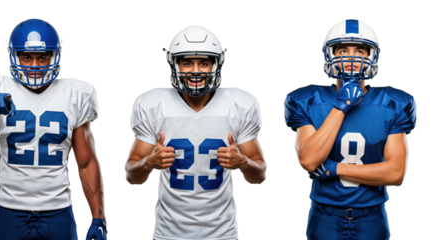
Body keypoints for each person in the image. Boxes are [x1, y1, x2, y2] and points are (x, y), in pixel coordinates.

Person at [0, 17, 107, 240]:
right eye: (26, 57)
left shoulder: (77, 92)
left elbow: (86, 161)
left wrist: (98, 217)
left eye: (42, 57)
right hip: (8, 212)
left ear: (56, 55)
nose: (34, 66)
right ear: (13, 54)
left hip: (59, 212)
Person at [125, 24, 267, 240]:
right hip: (168, 234)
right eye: (187, 62)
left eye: (204, 62)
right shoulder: (153, 104)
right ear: (174, 64)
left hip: (222, 234)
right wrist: (148, 164)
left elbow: (259, 178)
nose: (196, 71)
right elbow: (132, 179)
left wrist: (243, 163)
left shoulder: (239, 104)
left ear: (217, 64)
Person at [284, 18, 416, 239]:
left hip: (372, 217)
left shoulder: (393, 101)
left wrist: (336, 169)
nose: (352, 57)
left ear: (372, 56)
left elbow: (395, 175)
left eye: (361, 50)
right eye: (343, 49)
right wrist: (341, 106)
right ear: (330, 55)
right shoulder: (307, 98)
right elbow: (308, 161)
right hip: (324, 215)